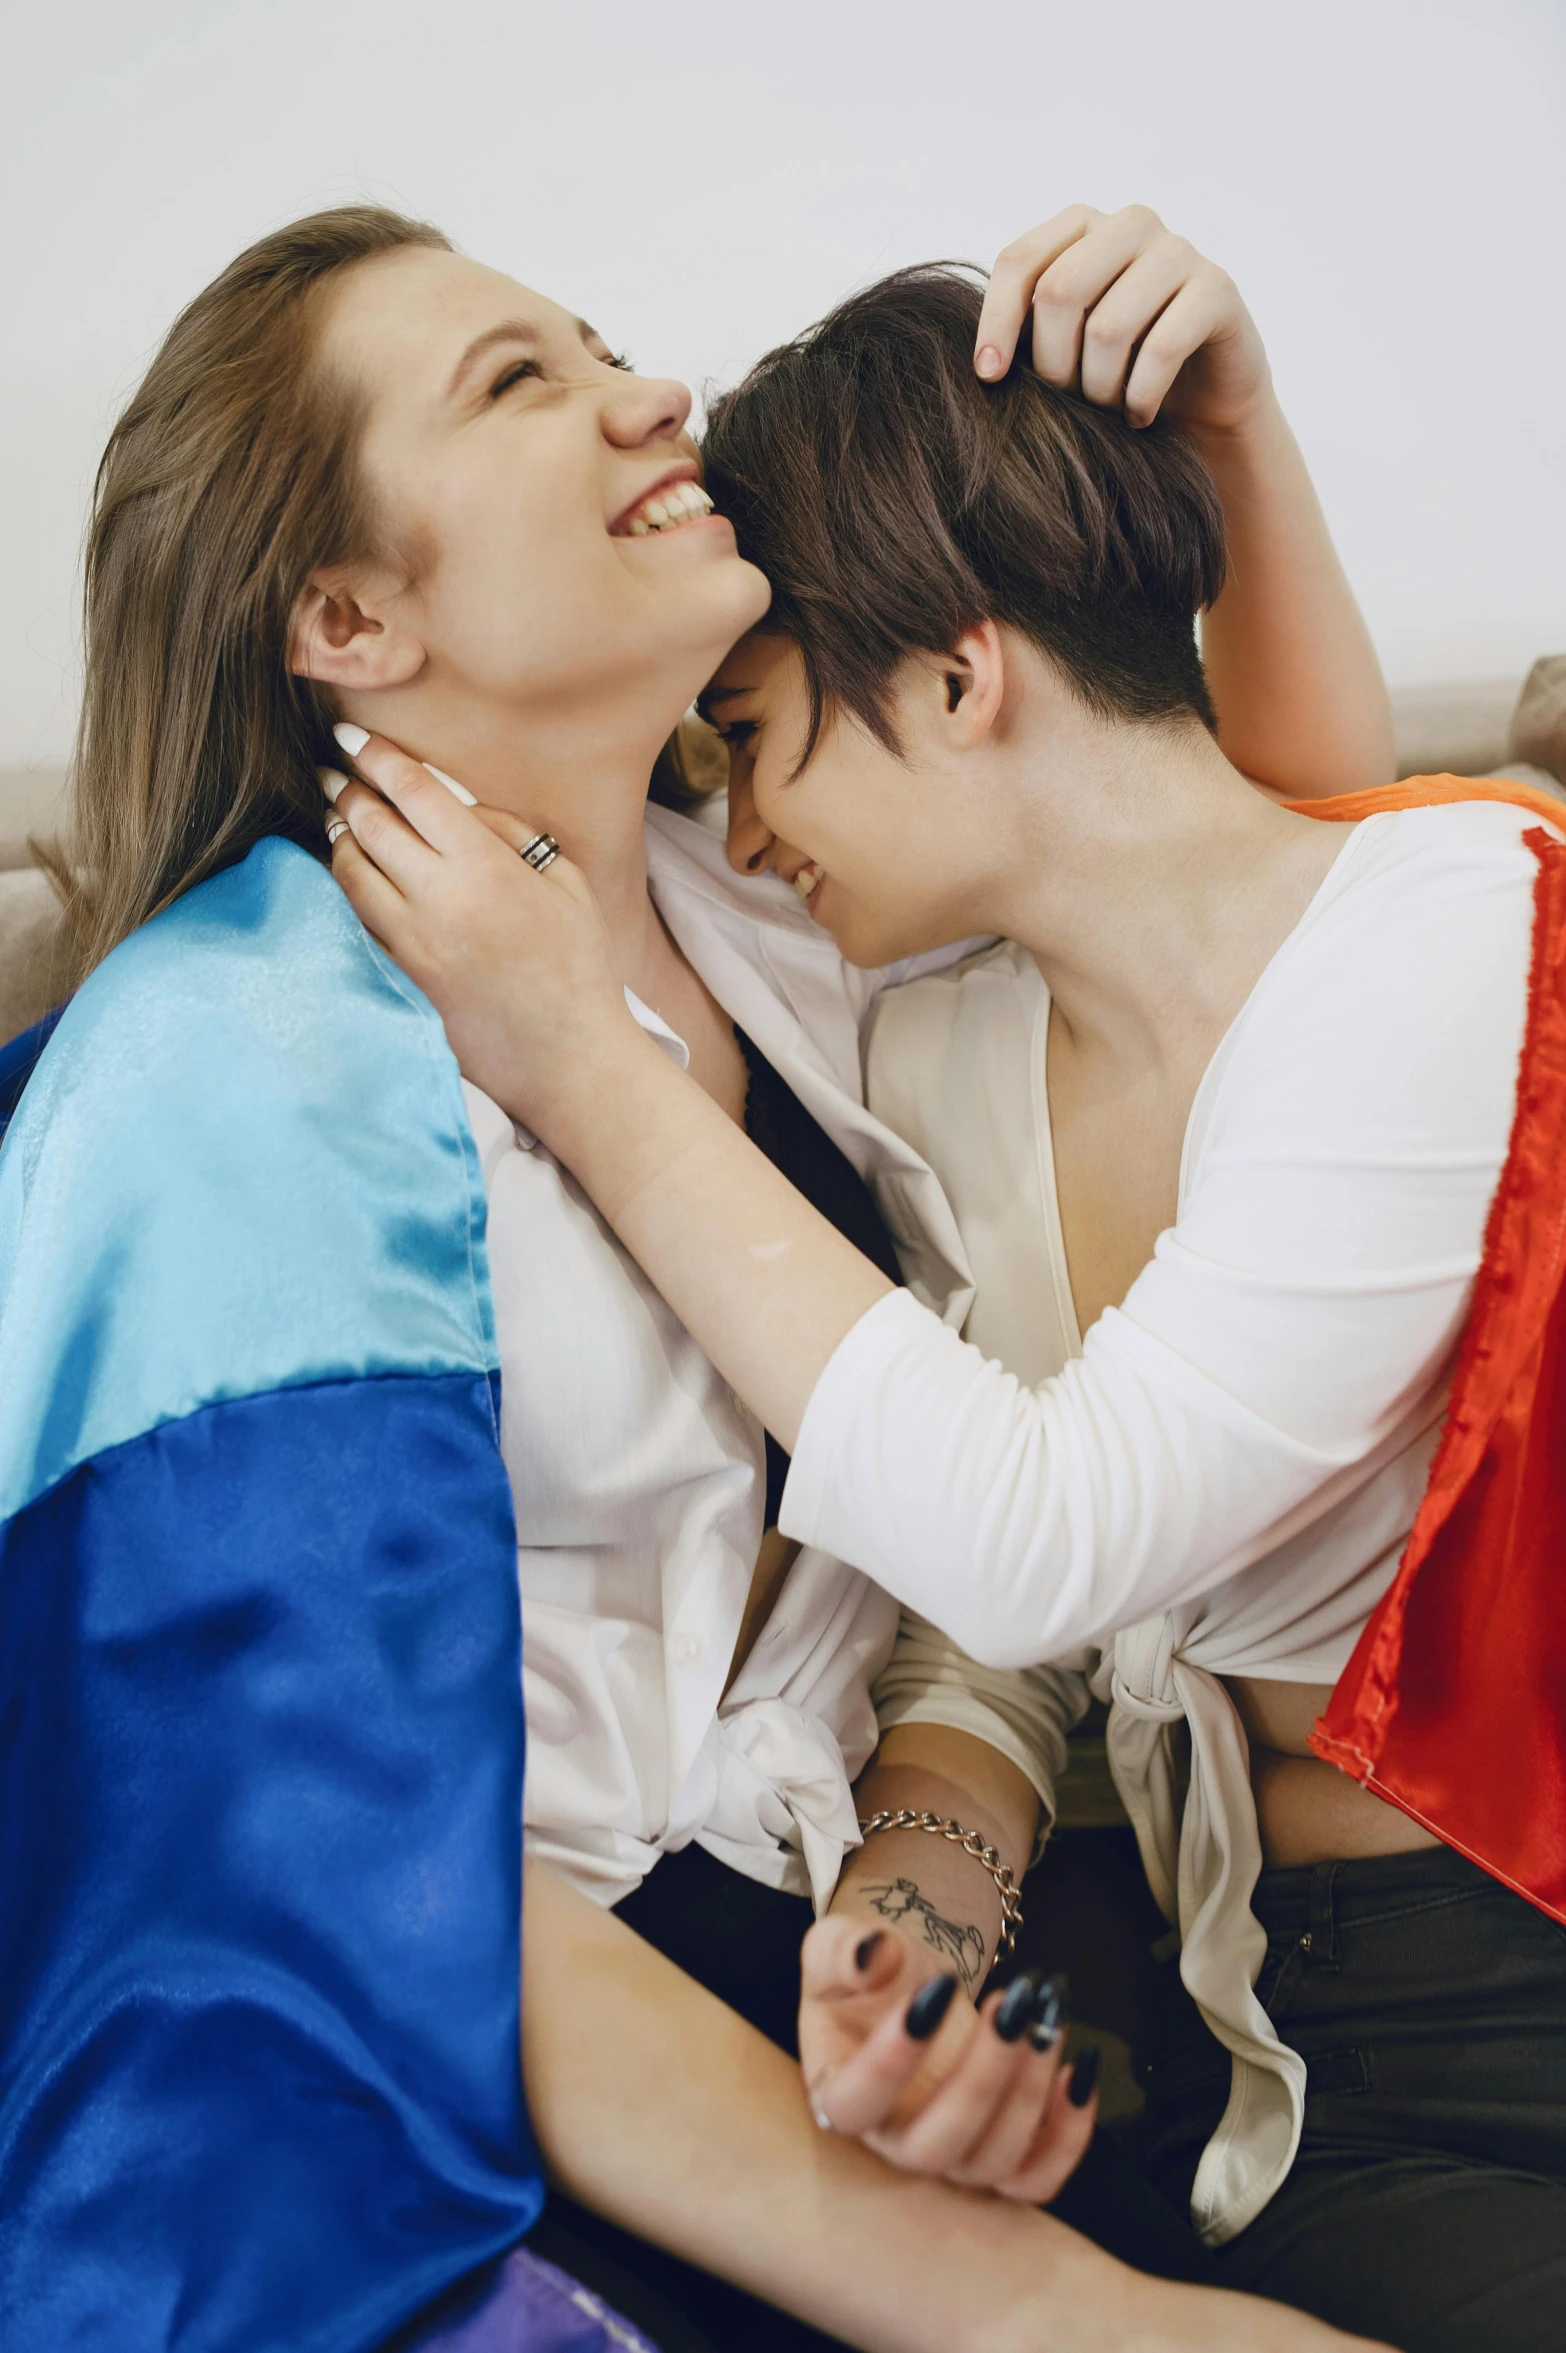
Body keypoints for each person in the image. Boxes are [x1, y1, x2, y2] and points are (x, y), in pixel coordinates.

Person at [1, 200, 1386, 2352]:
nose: (656, 393)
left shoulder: (815, 924)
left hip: (867, 2045)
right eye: (517, 383)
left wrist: (917, 1921)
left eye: (598, 340)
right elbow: (312, 1883)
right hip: (480, 2121)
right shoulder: (228, 1070)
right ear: (346, 612)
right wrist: (1040, 2312)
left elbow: (1300, 920)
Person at [328, 255, 1566, 2353]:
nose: (739, 823)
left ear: (961, 679)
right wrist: (915, 1891)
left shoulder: (1469, 921)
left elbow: (1041, 1516)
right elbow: (1017, 1624)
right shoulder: (940, 1065)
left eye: (752, 736)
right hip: (1310, 2066)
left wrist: (573, 1052)